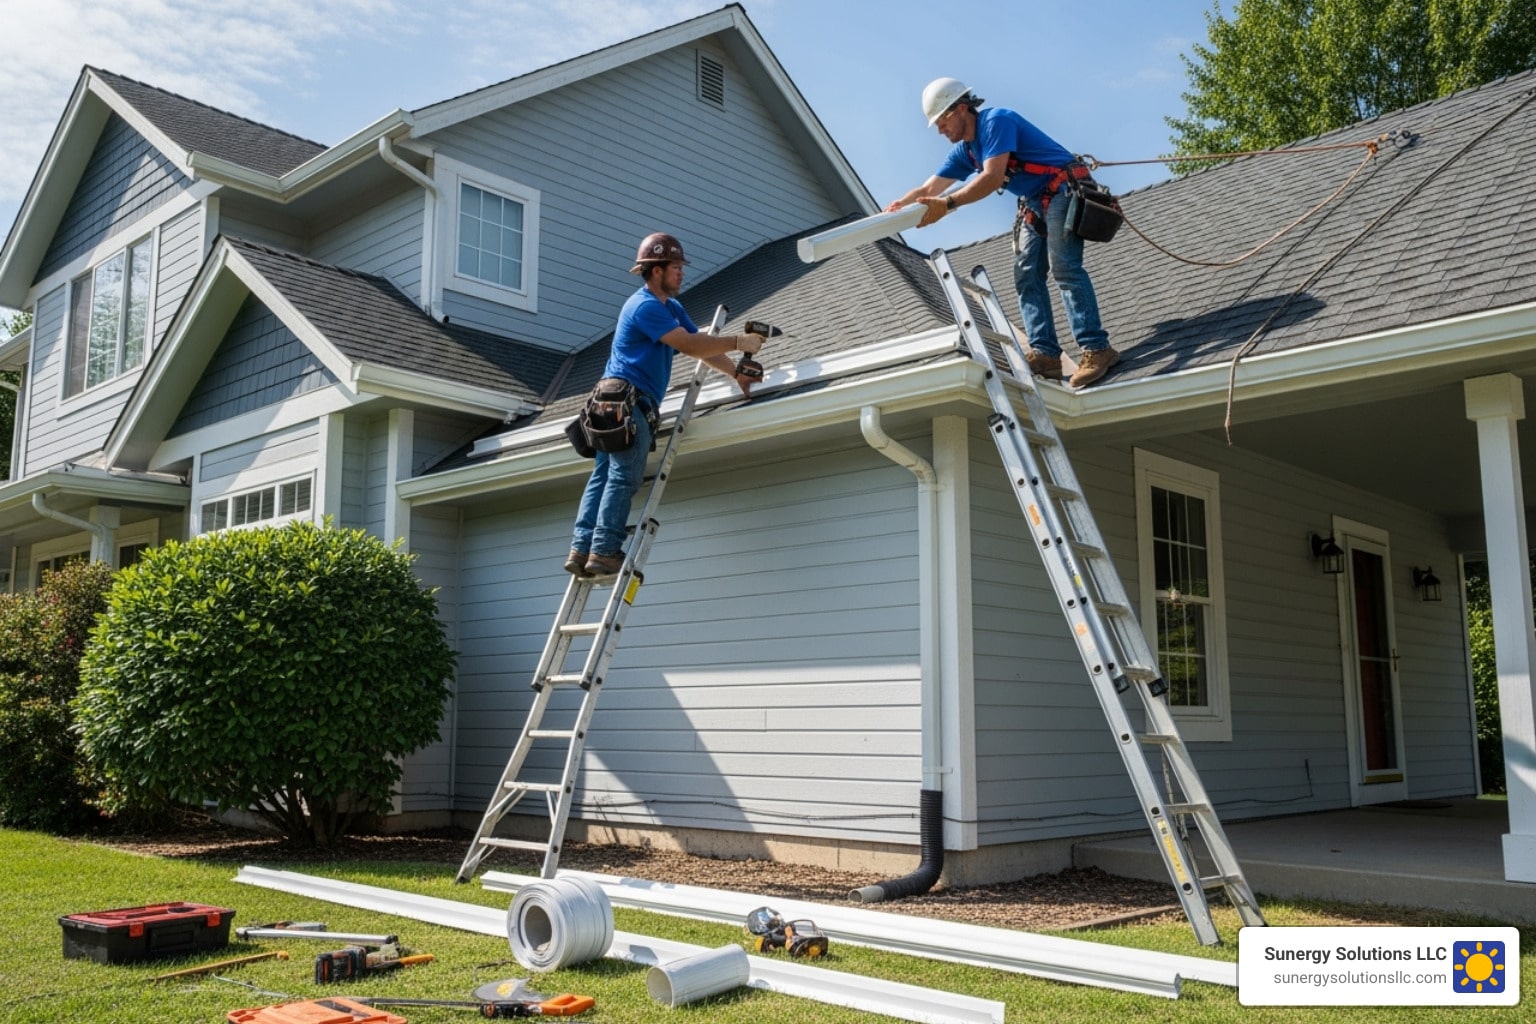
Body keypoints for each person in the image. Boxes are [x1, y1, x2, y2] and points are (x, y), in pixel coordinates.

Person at [887, 78, 1120, 389]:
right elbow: (930, 189)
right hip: (1037, 201)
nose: (940, 130)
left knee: (1064, 267)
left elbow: (992, 177)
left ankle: (1096, 349)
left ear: (961, 109)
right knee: (1026, 273)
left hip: (1063, 189)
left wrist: (948, 203)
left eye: (942, 121)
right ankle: (1046, 354)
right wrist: (901, 206)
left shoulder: (997, 122)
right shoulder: (966, 152)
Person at [567, 232, 765, 577]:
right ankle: (603, 550)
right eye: (676, 267)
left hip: (609, 403)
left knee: (603, 475)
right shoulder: (643, 305)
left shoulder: (670, 307)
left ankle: (581, 547)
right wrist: (738, 340)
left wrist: (736, 372)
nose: (682, 273)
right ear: (655, 270)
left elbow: (701, 345)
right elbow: (688, 344)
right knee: (622, 477)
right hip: (627, 403)